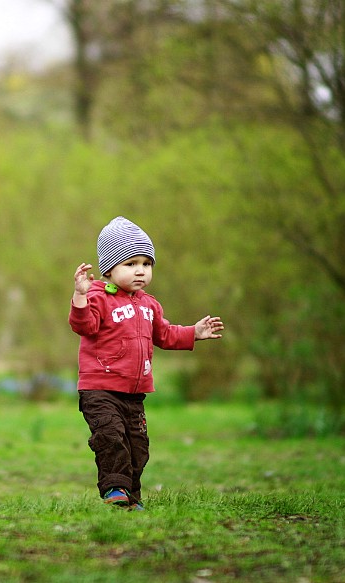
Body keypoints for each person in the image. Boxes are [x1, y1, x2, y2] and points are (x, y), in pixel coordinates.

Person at [69, 216, 224, 511]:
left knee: (138, 447)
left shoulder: (149, 304)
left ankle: (131, 497)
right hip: (99, 389)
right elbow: (83, 326)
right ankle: (115, 487)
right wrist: (79, 296)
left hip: (134, 393)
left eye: (146, 263)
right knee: (110, 436)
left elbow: (164, 335)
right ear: (110, 268)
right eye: (130, 264)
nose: (140, 270)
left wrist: (194, 332)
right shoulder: (98, 298)